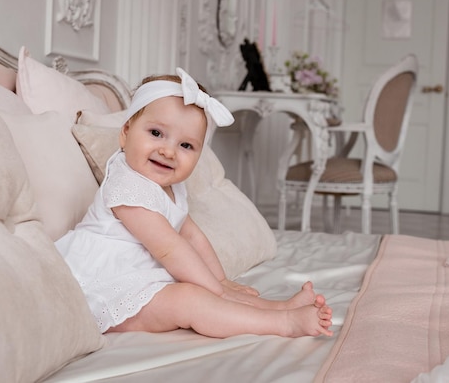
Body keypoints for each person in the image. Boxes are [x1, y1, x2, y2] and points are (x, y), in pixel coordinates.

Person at [55, 67, 333, 339]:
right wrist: (219, 291)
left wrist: (221, 281)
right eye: (156, 133)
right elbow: (169, 248)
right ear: (126, 132)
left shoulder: (170, 186)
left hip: (138, 277)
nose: (168, 151)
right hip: (101, 286)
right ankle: (283, 322)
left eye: (185, 145)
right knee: (190, 299)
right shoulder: (126, 186)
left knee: (204, 291)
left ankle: (279, 307)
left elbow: (191, 234)